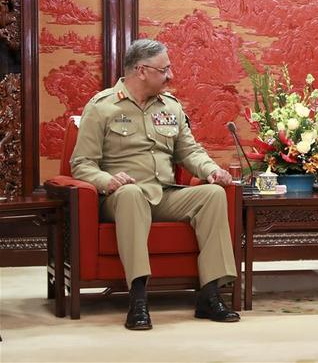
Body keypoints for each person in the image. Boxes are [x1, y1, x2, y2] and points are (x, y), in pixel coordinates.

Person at [71, 39, 240, 330]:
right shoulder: (102, 107)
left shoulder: (170, 106)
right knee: (132, 195)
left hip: (163, 194)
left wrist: (212, 170)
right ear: (141, 71)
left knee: (212, 195)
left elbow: (189, 151)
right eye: (164, 70)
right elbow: (81, 163)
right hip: (121, 198)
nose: (170, 76)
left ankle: (210, 294)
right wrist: (107, 181)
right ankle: (138, 298)